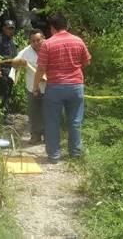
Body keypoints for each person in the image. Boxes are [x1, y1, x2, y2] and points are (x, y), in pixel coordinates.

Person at [33, 13, 91, 163]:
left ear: (52, 28)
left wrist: (35, 87)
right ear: (66, 25)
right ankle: (75, 154)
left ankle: (54, 155)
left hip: (55, 87)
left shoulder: (48, 44)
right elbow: (87, 61)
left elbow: (41, 69)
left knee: (52, 122)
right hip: (76, 86)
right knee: (75, 121)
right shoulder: (78, 40)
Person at [11, 29, 46, 144]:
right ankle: (35, 135)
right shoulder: (26, 51)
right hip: (32, 87)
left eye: (38, 40)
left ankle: (48, 135)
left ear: (43, 38)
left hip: (49, 86)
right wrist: (19, 61)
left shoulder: (50, 48)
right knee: (33, 112)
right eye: (33, 41)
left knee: (48, 113)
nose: (36, 43)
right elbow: (14, 63)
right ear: (30, 42)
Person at [0, 20, 17, 123]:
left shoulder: (11, 40)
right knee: (3, 92)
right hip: (2, 70)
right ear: (4, 28)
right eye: (9, 28)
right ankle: (3, 116)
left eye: (12, 28)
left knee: (8, 92)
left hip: (11, 70)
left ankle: (6, 113)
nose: (11, 30)